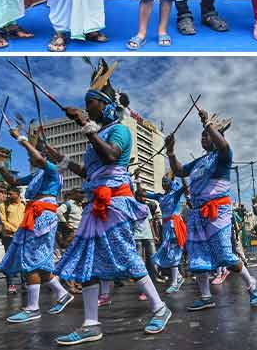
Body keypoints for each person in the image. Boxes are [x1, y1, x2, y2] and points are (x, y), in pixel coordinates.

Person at [48, 62, 170, 345]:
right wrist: (60, 158)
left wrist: (83, 125)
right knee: (87, 264)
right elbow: (90, 172)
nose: (86, 108)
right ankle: (91, 324)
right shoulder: (97, 136)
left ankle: (160, 308)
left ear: (103, 105)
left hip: (114, 203)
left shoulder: (120, 131)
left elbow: (112, 157)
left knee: (126, 256)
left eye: (89, 103)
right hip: (94, 205)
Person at [166, 109, 257, 311]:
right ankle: (206, 296)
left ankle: (252, 283)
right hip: (197, 213)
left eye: (207, 135)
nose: (203, 138)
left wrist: (207, 124)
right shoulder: (200, 161)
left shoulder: (223, 156)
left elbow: (224, 145)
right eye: (202, 136)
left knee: (224, 255)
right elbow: (180, 171)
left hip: (218, 211)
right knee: (197, 255)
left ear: (216, 136)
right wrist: (171, 152)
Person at [0, 127, 72, 325]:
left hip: (42, 215)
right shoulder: (38, 174)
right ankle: (62, 294)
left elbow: (38, 159)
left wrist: (21, 138)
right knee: (40, 262)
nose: (31, 157)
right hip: (34, 214)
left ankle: (33, 308)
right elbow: (13, 181)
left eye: (37, 152)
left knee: (31, 260)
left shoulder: (53, 170)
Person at [145, 175, 187, 293]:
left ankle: (175, 282)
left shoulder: (175, 194)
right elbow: (143, 194)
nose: (163, 183)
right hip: (166, 227)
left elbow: (185, 187)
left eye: (166, 181)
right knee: (169, 253)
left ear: (170, 183)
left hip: (174, 225)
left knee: (173, 252)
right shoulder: (160, 196)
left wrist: (182, 174)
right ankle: (178, 277)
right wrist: (137, 180)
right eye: (162, 182)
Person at [0, 186, 25, 294]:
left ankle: (25, 282)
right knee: (10, 260)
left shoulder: (24, 205)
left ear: (18, 194)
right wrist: (15, 230)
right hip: (9, 236)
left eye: (11, 194)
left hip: (24, 236)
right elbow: (3, 221)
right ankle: (10, 284)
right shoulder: (3, 205)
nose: (8, 196)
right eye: (7, 194)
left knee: (23, 259)